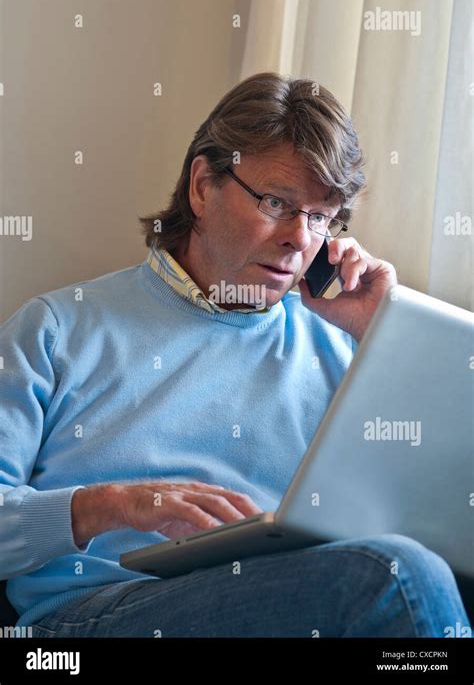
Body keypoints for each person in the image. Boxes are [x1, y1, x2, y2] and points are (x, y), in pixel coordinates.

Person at [0, 72, 469, 638]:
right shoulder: (57, 328)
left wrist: (385, 336)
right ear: (202, 185)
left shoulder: (341, 342)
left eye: (321, 217)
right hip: (93, 615)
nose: (301, 239)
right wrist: (111, 505)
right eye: (277, 202)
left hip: (291, 604)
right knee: (395, 576)